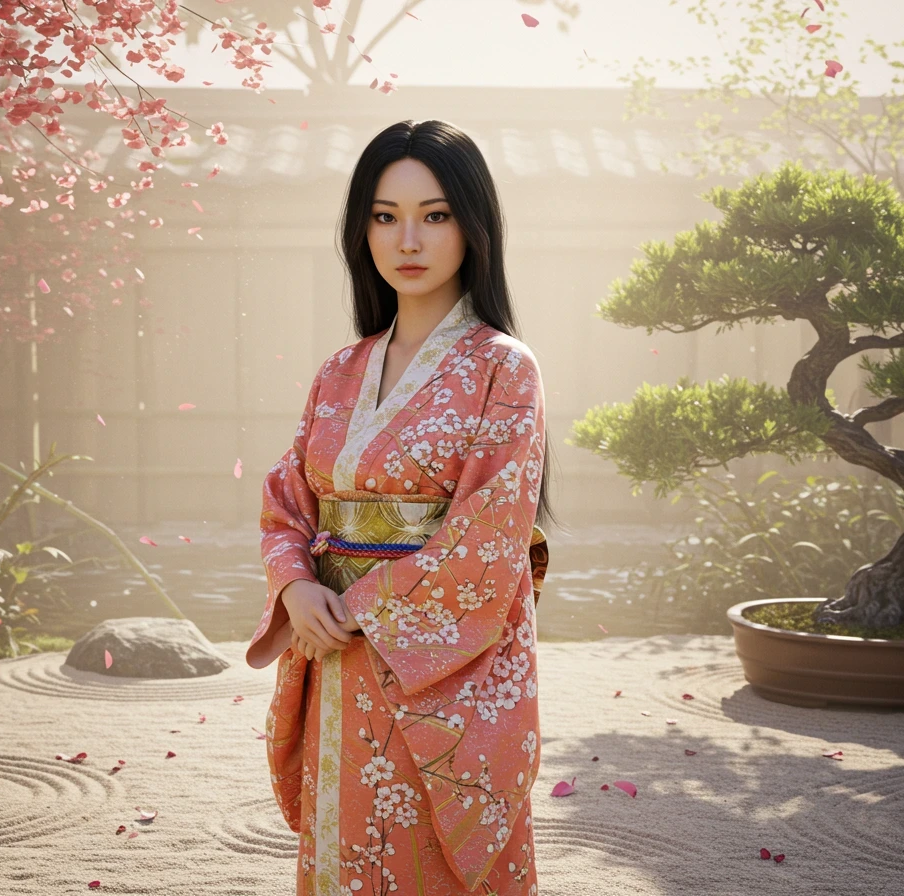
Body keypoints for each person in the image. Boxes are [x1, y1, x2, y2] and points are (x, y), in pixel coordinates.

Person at [245, 119, 554, 896]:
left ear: (473, 226)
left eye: (435, 214)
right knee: (341, 838)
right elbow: (288, 499)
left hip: (431, 666)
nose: (407, 238)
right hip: (330, 647)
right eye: (385, 215)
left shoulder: (503, 368)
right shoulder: (339, 370)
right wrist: (294, 587)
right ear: (362, 230)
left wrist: (357, 609)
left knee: (421, 850)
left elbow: (490, 535)